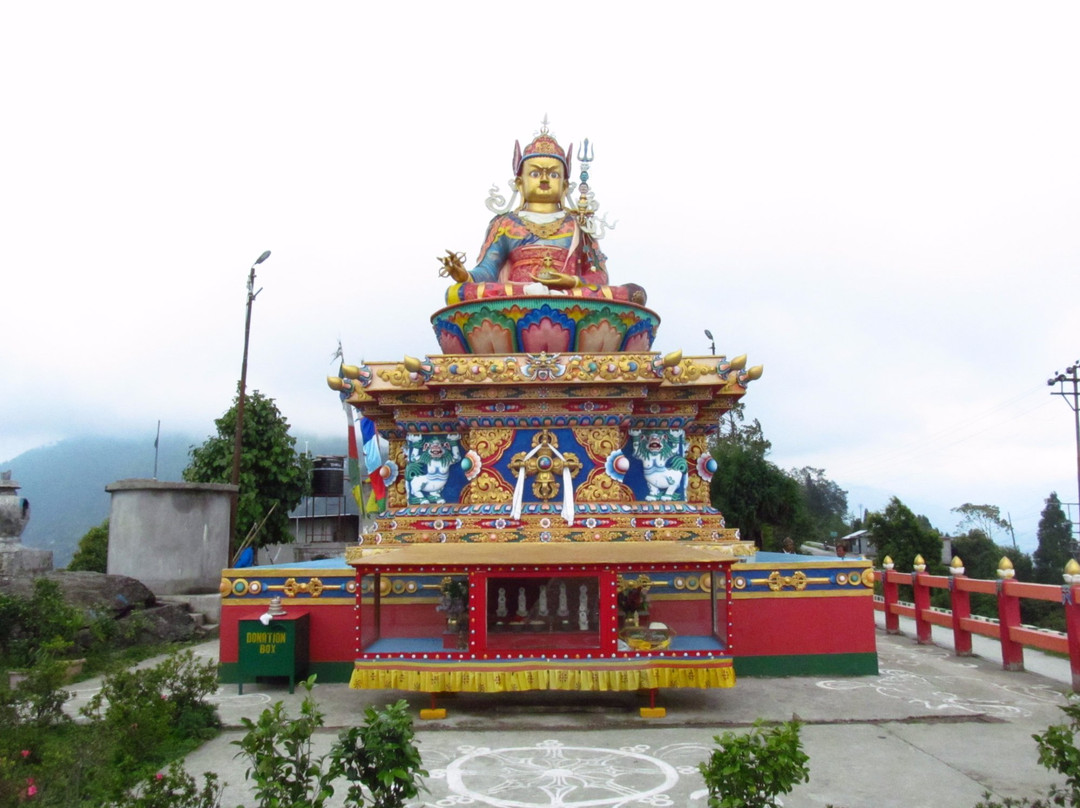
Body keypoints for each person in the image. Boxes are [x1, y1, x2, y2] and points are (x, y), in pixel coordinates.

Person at [440, 128, 646, 305]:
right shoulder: (506, 223)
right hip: (516, 297)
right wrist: (464, 275)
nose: (545, 179)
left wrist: (572, 282)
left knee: (634, 294)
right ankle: (535, 296)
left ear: (565, 186)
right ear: (520, 183)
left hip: (568, 296)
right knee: (457, 294)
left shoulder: (578, 225)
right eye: (536, 174)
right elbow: (487, 270)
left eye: (554, 174)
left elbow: (598, 276)